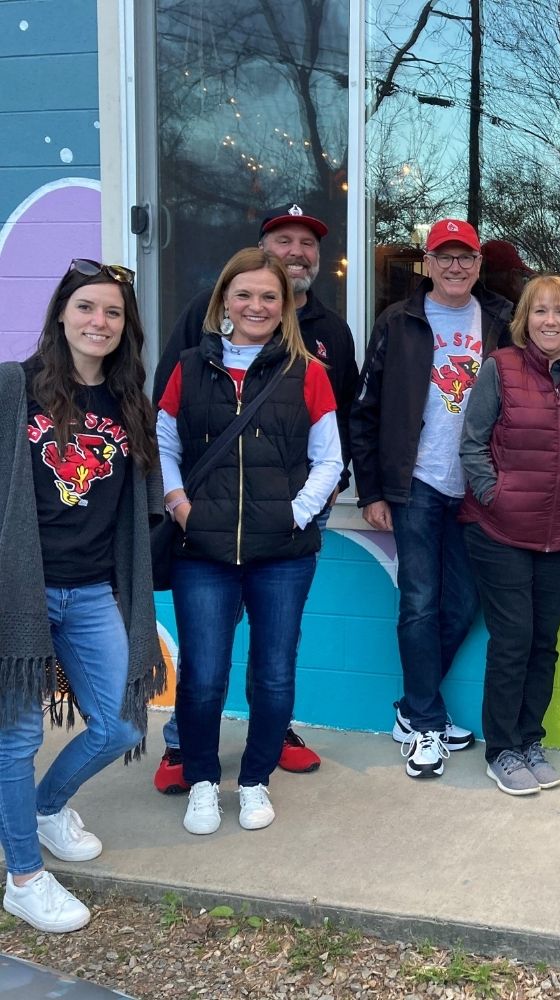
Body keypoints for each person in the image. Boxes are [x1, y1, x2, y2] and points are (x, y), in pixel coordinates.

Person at [152, 203, 359, 791]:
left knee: (274, 665)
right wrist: (180, 503)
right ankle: (187, 758)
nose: (297, 252)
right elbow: (168, 426)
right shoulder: (198, 338)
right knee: (204, 668)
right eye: (283, 241)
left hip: (280, 538)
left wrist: (300, 510)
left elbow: (332, 439)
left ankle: (264, 756)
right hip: (208, 532)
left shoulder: (326, 338)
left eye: (307, 243)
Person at [0, 259, 164, 932]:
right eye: (87, 308)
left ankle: (45, 807)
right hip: (22, 589)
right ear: (62, 314)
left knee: (122, 721)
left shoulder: (128, 405)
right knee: (17, 737)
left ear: (126, 328)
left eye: (113, 313)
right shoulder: (16, 387)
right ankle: (24, 875)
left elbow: (135, 502)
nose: (100, 322)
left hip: (93, 588)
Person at [350, 218, 513, 780]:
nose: (455, 266)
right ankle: (423, 722)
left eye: (465, 256)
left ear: (477, 262)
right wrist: (371, 488)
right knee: (419, 601)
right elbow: (366, 410)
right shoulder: (398, 321)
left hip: (475, 483)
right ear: (428, 262)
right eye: (444, 256)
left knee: (463, 603)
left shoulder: (500, 320)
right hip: (417, 482)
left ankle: (414, 706)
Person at [458, 276, 560, 795]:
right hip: (499, 531)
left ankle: (529, 740)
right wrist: (495, 495)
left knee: (544, 643)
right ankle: (501, 749)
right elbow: (472, 444)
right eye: (540, 311)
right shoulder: (501, 368)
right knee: (514, 639)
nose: (550, 321)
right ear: (525, 319)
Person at [481, 239, 536, 307]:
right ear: (513, 277)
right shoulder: (512, 314)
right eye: (524, 279)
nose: (525, 287)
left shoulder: (474, 309)